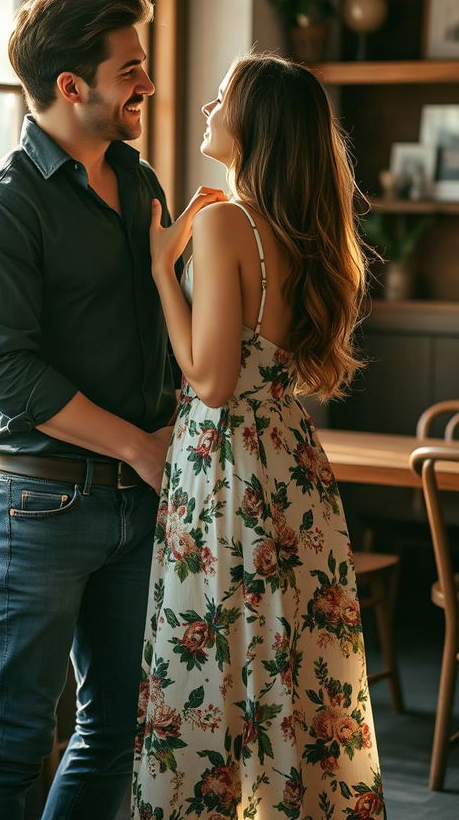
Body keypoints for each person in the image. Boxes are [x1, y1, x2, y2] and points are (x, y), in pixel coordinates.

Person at [0, 0, 224, 820]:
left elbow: (164, 324)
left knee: (120, 726)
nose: (146, 85)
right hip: (43, 501)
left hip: (142, 504)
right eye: (129, 70)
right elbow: (6, 374)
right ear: (72, 87)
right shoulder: (0, 208)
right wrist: (140, 447)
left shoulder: (140, 182)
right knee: (14, 738)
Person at [132, 54, 386, 820]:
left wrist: (157, 270)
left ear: (256, 125)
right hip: (295, 468)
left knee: (217, 670)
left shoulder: (222, 222)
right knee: (294, 672)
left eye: (225, 96)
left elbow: (209, 382)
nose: (210, 103)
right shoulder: (302, 231)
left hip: (226, 468)